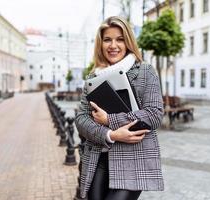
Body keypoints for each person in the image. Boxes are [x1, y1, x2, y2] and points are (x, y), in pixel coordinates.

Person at [75, 16, 164, 200]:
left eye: (120, 39)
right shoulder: (93, 77)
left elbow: (154, 115)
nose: (113, 45)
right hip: (98, 158)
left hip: (133, 160)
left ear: (128, 42)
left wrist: (109, 120)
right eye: (107, 39)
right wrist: (111, 135)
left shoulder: (144, 71)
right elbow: (81, 119)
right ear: (100, 44)